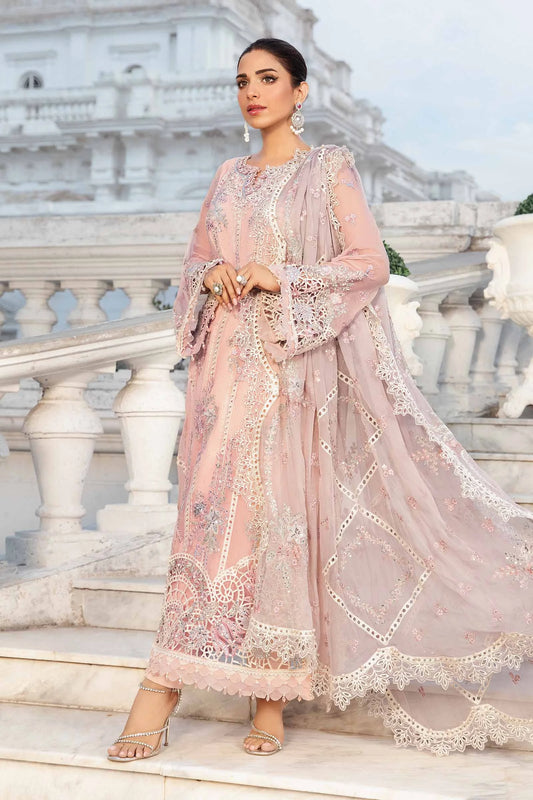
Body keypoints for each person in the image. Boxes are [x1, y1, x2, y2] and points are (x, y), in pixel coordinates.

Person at [107, 38, 533, 762]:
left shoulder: (327, 168)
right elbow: (195, 258)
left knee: (277, 522)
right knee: (206, 522)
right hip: (221, 378)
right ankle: (168, 677)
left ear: (299, 91)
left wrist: (282, 275)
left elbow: (366, 264)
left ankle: (267, 695)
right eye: (242, 80)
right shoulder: (227, 176)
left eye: (268, 78)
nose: (252, 91)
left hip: (288, 373)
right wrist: (210, 274)